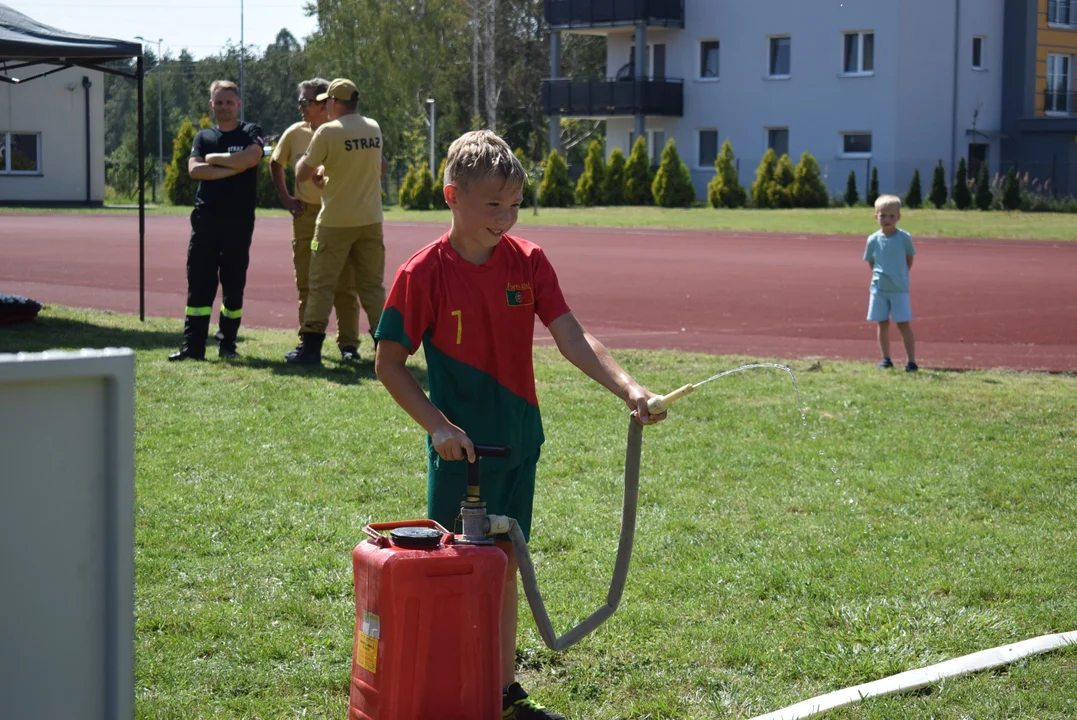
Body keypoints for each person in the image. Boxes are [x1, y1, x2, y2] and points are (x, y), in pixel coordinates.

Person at [373, 129, 667, 720]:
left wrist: (628, 386)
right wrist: (438, 427)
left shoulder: (529, 262)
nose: (505, 218)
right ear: (452, 196)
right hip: (461, 456)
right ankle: (451, 690)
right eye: (492, 205)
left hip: (519, 446)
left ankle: (502, 691)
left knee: (504, 569)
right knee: (457, 571)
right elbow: (389, 364)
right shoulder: (423, 272)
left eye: (514, 205)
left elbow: (572, 335)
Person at [287, 78, 388, 365]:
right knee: (372, 287)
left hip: (334, 222)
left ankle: (310, 348)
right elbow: (379, 167)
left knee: (321, 284)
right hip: (370, 220)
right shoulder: (373, 127)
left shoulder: (328, 132)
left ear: (333, 102)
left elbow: (302, 173)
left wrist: (320, 170)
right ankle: (387, 347)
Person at [169, 79, 265, 361]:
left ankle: (227, 345)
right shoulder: (203, 137)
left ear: (238, 104)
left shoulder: (250, 132)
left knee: (233, 285)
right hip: (205, 220)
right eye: (218, 102)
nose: (224, 107)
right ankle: (193, 347)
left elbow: (252, 156)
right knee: (199, 283)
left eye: (228, 102)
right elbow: (195, 171)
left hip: (238, 222)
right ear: (211, 105)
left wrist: (214, 160)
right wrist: (234, 168)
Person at [270, 78, 362, 362]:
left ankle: (349, 347)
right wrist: (285, 198)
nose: (301, 107)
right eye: (300, 101)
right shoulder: (295, 133)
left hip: (339, 214)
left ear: (325, 103)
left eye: (306, 102)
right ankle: (308, 344)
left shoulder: (343, 131)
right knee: (308, 283)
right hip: (306, 215)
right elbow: (276, 162)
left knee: (345, 284)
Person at [865, 194, 918, 372]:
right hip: (879, 288)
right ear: (876, 216)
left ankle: (911, 361)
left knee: (903, 323)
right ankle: (886, 358)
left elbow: (909, 259)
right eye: (883, 215)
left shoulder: (904, 238)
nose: (887, 219)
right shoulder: (872, 239)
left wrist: (900, 275)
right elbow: (872, 262)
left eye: (891, 216)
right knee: (882, 323)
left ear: (898, 217)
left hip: (899, 289)